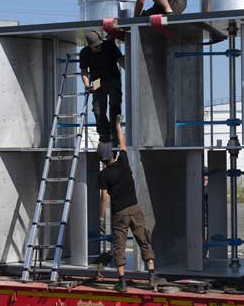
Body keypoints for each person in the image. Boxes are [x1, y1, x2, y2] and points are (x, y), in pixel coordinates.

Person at [98, 116, 156, 292]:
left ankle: (121, 281)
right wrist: (117, 125)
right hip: (135, 208)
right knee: (143, 240)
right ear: (113, 154)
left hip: (119, 213)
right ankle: (152, 276)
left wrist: (101, 218)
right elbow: (122, 142)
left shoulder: (103, 175)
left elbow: (104, 198)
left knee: (119, 246)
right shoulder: (124, 162)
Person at [80, 30, 124, 146]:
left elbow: (121, 60)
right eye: (96, 46)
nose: (99, 47)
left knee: (115, 106)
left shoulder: (109, 46)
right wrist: (86, 85)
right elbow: (84, 71)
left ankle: (116, 137)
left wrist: (133, 70)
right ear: (89, 46)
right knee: (98, 109)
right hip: (97, 82)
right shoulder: (84, 53)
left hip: (113, 78)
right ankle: (104, 137)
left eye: (100, 44)